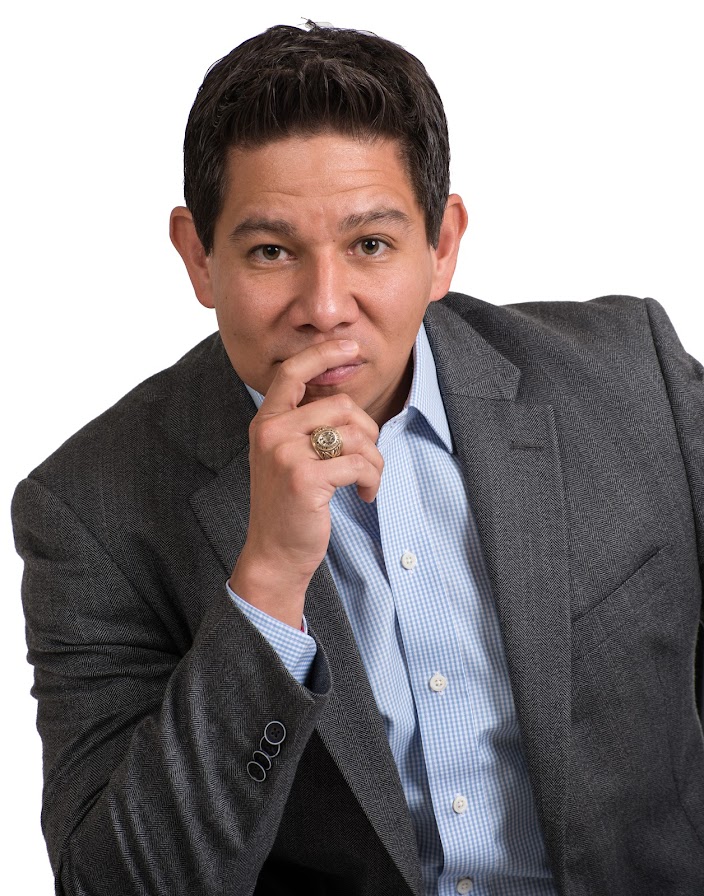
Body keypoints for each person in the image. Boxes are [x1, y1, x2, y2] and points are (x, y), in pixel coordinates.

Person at [11, 21, 704, 896]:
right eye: (271, 252)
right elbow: (117, 883)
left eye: (370, 244)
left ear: (441, 245)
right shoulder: (87, 510)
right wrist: (266, 582)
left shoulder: (634, 380)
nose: (324, 306)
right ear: (198, 257)